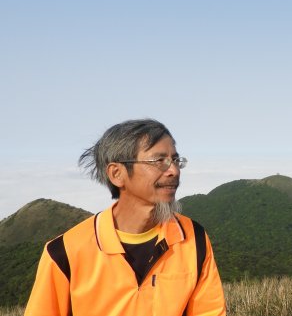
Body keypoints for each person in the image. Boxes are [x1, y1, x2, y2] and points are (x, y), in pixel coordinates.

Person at [24, 119, 226, 316]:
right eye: (159, 161)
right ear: (116, 174)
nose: (173, 171)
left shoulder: (194, 238)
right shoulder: (65, 253)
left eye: (175, 160)